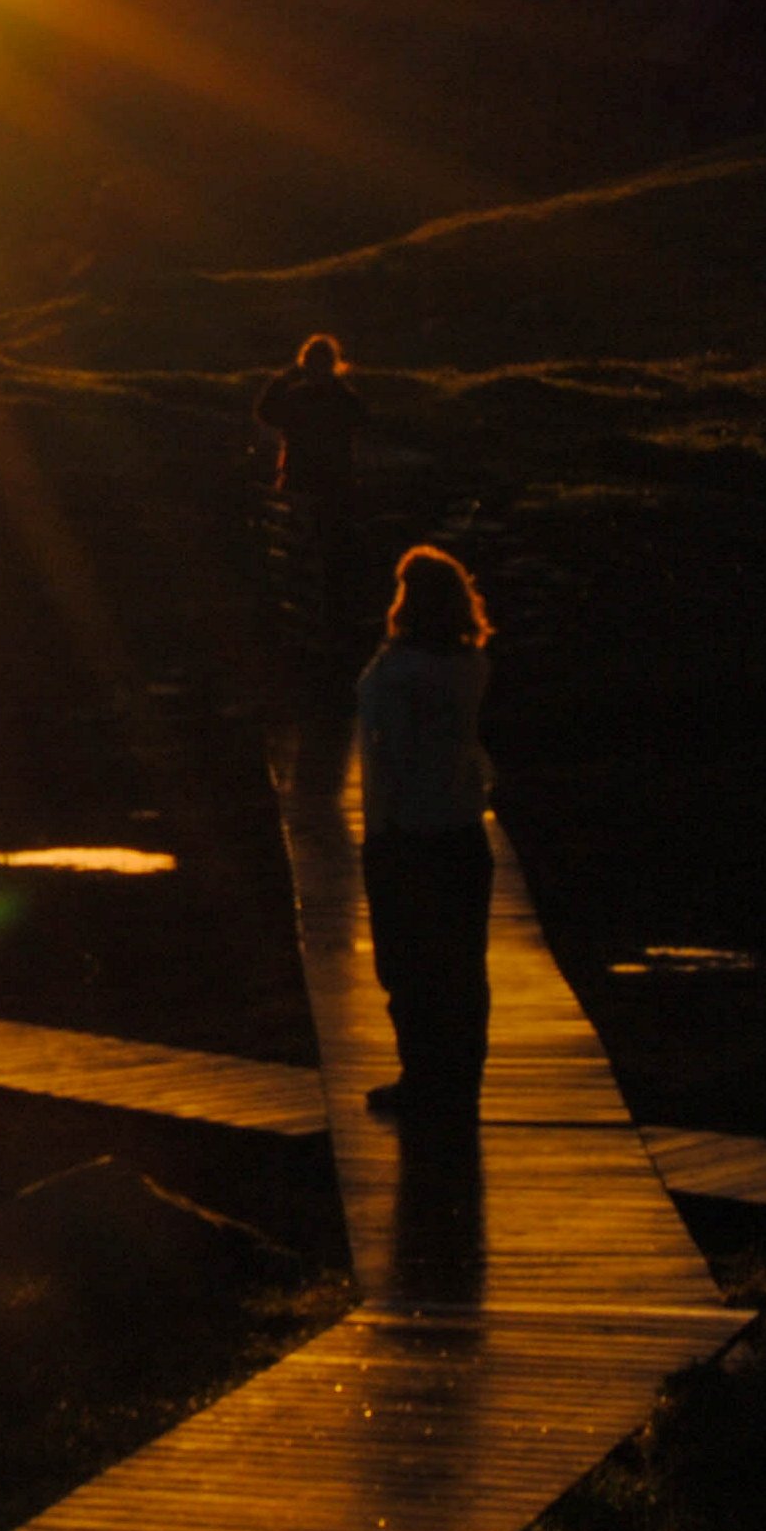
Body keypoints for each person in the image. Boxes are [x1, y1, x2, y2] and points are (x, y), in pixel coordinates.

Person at [355, 545, 497, 1119]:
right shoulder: (470, 665)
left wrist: (378, 833)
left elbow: (387, 758)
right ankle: (459, 1083)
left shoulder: (396, 673)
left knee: (407, 965)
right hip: (463, 829)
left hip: (407, 833)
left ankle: (422, 1079)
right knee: (463, 967)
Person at [254, 333, 368, 628]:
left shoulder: (296, 397)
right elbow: (363, 417)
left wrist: (285, 376)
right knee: (332, 553)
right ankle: (333, 616)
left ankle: (297, 612)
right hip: (337, 486)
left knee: (296, 549)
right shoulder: (344, 399)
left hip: (298, 483)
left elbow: (265, 412)